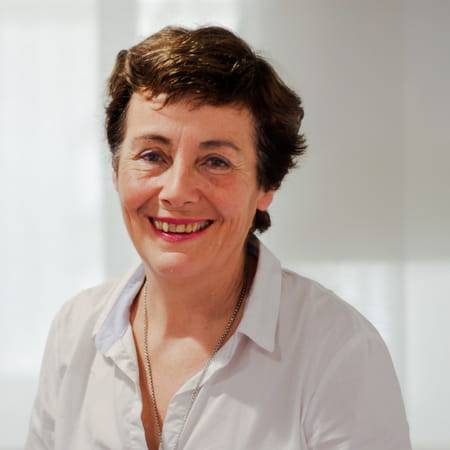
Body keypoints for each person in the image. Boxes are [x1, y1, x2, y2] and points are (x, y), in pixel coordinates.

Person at [26, 26, 411, 450]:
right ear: (116, 170)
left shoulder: (338, 351)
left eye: (215, 161)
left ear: (266, 185)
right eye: (152, 155)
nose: (176, 192)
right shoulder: (74, 330)